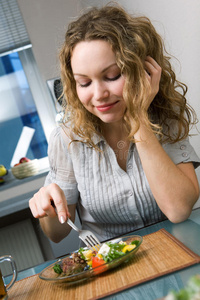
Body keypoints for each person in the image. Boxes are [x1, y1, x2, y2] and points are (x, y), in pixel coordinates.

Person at [29, 4, 200, 244]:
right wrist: (46, 208)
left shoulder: (165, 116)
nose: (98, 94)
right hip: (109, 269)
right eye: (84, 83)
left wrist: (138, 116)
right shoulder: (67, 138)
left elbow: (178, 210)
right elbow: (56, 234)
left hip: (177, 254)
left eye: (112, 76)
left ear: (141, 70)